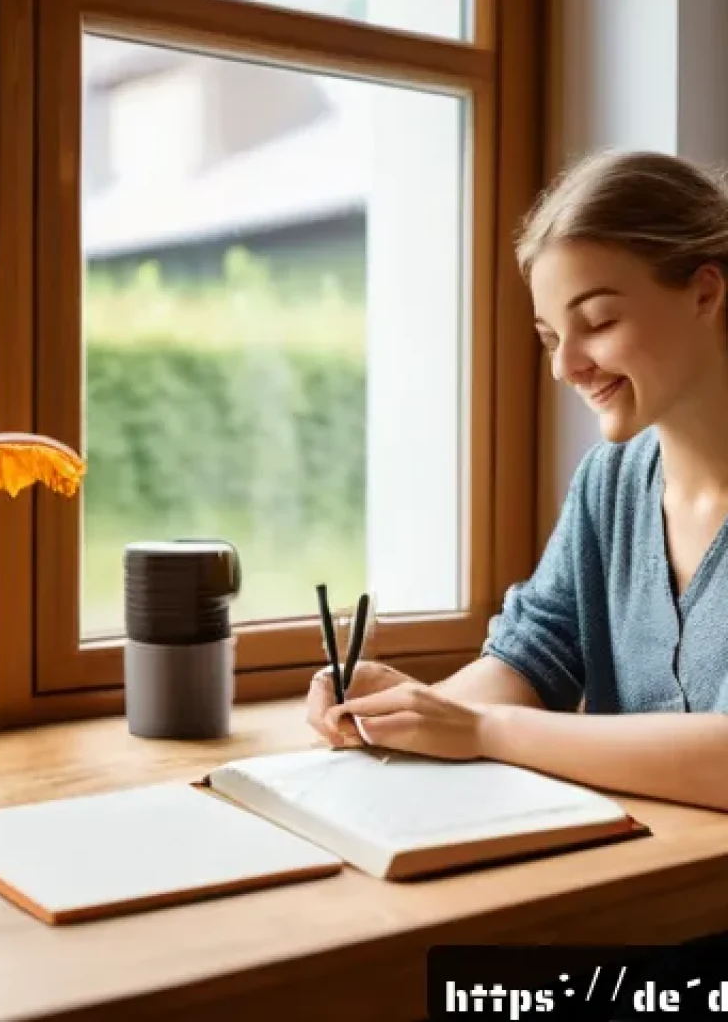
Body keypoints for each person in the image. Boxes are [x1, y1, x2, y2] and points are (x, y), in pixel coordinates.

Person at [306, 149, 728, 813]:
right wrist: (411, 709)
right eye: (549, 335)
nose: (566, 366)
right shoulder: (610, 482)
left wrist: (480, 728)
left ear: (705, 292)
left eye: (598, 323)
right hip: (631, 880)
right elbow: (536, 658)